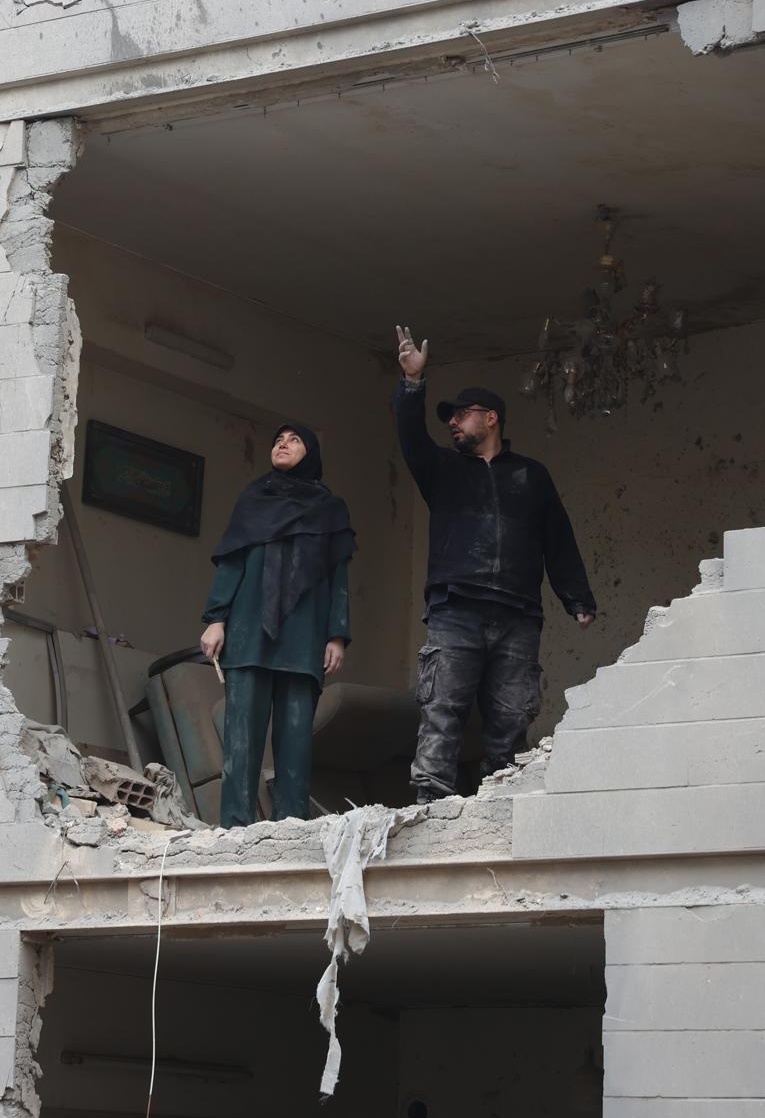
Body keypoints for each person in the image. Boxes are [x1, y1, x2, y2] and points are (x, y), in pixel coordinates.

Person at [392, 325, 597, 803]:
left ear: (491, 418)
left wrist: (577, 597)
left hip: (517, 614)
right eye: (450, 417)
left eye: (461, 414)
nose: (452, 423)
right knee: (442, 709)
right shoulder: (443, 469)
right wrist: (412, 383)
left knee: (511, 719)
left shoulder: (531, 475)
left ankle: (501, 811)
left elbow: (557, 538)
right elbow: (411, 436)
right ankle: (430, 807)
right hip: (456, 608)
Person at [199, 422, 354, 827]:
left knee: (296, 740)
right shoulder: (253, 500)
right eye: (278, 441)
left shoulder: (330, 510)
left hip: (304, 637)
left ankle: (291, 828)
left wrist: (337, 634)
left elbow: (337, 576)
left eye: (294, 440)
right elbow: (232, 562)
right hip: (248, 632)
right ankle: (234, 828)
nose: (283, 445)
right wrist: (216, 619)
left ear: (311, 452)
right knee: (241, 739)